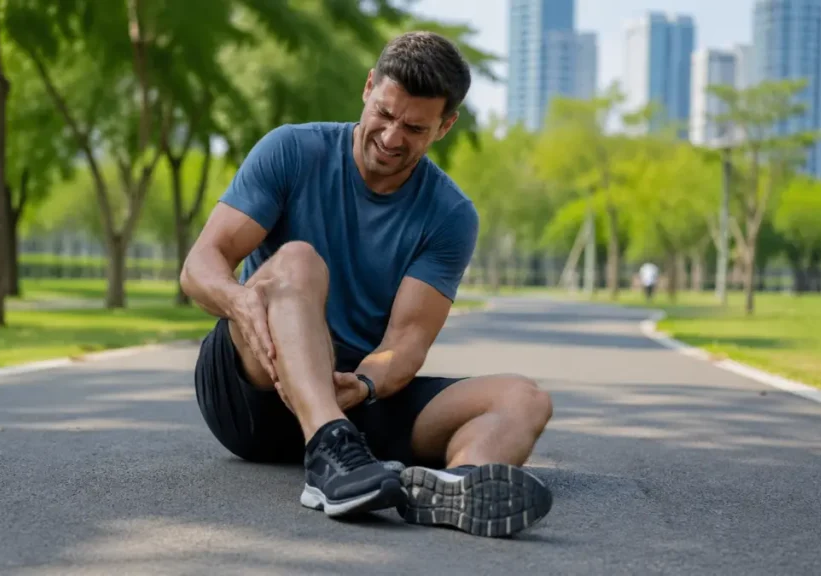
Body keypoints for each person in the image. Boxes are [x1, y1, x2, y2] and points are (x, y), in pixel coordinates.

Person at [181, 31, 553, 538]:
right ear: (369, 86)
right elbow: (201, 264)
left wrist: (363, 384)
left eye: (415, 128)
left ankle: (457, 484)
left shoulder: (450, 215)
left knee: (524, 399)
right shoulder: (292, 150)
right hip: (255, 388)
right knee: (298, 260)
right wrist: (240, 303)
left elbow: (406, 342)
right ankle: (327, 450)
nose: (393, 138)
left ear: (445, 126)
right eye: (385, 113)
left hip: (355, 401)